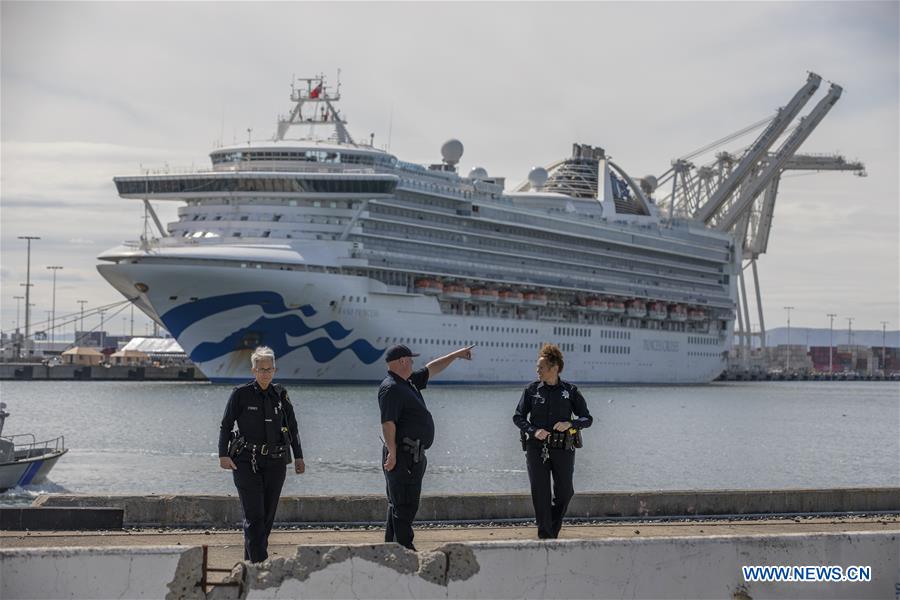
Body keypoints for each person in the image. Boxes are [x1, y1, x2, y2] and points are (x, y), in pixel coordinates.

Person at [379, 343, 474, 550]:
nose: (413, 363)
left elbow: (432, 368)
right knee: (404, 504)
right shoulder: (391, 388)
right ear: (402, 361)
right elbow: (388, 423)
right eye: (411, 360)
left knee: (400, 503)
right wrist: (392, 453)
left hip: (413, 455)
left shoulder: (408, 382)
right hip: (402, 454)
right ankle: (404, 548)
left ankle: (392, 548)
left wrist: (456, 355)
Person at [218, 346, 305, 563]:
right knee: (254, 517)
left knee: (266, 519)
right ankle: (260, 568)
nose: (265, 373)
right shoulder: (241, 394)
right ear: (253, 370)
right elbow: (226, 425)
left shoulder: (281, 395)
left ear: (274, 370)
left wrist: (299, 456)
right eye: (261, 369)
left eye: (269, 369)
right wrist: (223, 455)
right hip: (246, 461)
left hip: (276, 462)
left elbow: (292, 428)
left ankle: (249, 566)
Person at [513, 343, 592, 539]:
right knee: (540, 494)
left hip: (563, 448)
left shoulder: (570, 391)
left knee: (565, 493)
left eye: (541, 367)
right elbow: (518, 417)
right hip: (536, 449)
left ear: (554, 368)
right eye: (537, 367)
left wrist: (570, 424)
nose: (537, 370)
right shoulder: (531, 390)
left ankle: (551, 531)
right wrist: (533, 431)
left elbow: (587, 418)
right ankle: (545, 536)